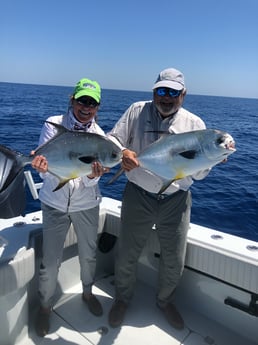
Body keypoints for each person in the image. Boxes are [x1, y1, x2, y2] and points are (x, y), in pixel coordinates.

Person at [108, 68, 211, 330]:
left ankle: (165, 301)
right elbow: (112, 140)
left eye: (173, 92)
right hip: (137, 195)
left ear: (183, 95)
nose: (166, 97)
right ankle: (122, 299)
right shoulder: (136, 110)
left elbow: (198, 176)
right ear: (154, 91)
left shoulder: (195, 125)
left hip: (175, 200)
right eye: (161, 91)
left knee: (174, 257)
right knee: (127, 251)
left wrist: (210, 158)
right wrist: (124, 153)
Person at [31, 78, 108, 337]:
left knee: (89, 255)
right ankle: (45, 308)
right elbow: (46, 171)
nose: (86, 107)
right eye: (82, 100)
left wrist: (92, 175)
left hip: (86, 204)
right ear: (72, 100)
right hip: (53, 203)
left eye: (92, 103)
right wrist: (43, 168)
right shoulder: (53, 125)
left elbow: (91, 181)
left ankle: (87, 293)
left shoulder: (100, 137)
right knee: (50, 262)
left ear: (98, 108)